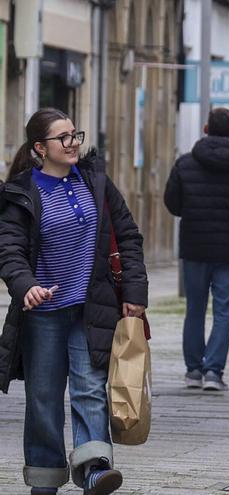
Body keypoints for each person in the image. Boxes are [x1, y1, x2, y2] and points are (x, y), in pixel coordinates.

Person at [0, 108, 148, 495]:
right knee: (44, 400)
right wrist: (25, 284)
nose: (73, 143)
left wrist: (134, 294)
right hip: (44, 315)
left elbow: (129, 236)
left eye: (75, 135)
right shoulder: (21, 192)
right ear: (39, 148)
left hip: (90, 308)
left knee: (91, 388)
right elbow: (9, 249)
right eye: (63, 138)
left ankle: (95, 468)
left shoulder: (95, 181)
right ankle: (45, 480)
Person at [164, 108, 229, 392]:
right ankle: (213, 372)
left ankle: (193, 370)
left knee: (194, 308)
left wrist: (192, 212)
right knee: (224, 310)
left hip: (195, 243)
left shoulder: (185, 164)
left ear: (206, 128)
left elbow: (173, 203)